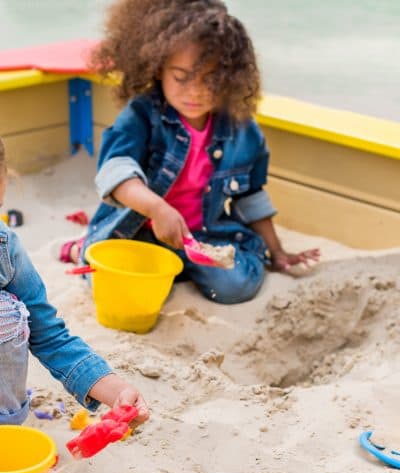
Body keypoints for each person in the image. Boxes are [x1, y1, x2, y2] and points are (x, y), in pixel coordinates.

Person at [62, 0, 320, 304]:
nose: (195, 91)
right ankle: (82, 247)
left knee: (238, 286)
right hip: (138, 232)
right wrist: (157, 209)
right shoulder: (143, 115)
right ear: (158, 68)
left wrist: (277, 253)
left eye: (209, 79)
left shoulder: (242, 129)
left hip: (201, 236)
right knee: (117, 288)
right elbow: (115, 173)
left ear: (230, 77)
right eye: (181, 77)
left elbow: (251, 197)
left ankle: (181, 267)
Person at [0, 137, 149, 426]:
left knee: (7, 315)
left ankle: (6, 430)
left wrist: (116, 390)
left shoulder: (4, 247)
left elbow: (48, 334)